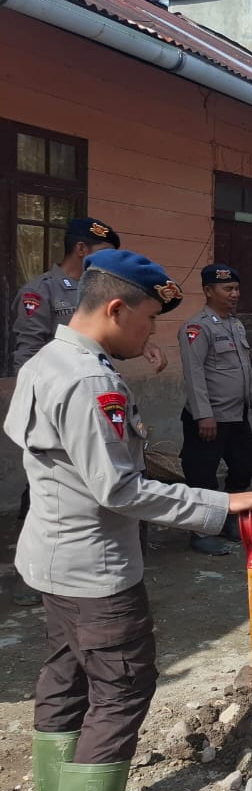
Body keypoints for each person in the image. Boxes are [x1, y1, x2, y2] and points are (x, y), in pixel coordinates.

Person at [3, 249, 252, 791]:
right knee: (121, 691)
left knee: (65, 680)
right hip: (95, 568)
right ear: (116, 308)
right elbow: (118, 488)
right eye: (149, 319)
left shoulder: (47, 359)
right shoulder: (95, 382)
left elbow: (39, 445)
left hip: (50, 557)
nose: (154, 333)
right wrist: (221, 503)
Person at [8, 218, 166, 607]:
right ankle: (40, 578)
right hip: (62, 407)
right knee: (55, 492)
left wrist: (138, 343)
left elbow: (100, 340)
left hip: (84, 398)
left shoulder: (96, 301)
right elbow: (30, 351)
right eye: (103, 254)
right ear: (82, 249)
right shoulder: (42, 293)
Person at [178, 264, 252, 555]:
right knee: (202, 475)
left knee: (244, 467)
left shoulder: (236, 325)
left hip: (236, 416)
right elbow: (194, 374)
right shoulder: (196, 328)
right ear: (208, 291)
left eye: (236, 289)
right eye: (227, 289)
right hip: (208, 418)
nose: (235, 294)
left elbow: (245, 368)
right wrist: (204, 414)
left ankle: (230, 518)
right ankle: (201, 530)